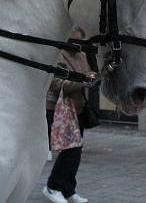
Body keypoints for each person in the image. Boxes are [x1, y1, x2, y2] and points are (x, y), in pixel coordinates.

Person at [43, 27, 97, 203]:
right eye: (76, 42)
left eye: (81, 42)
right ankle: (53, 186)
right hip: (61, 108)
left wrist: (91, 77)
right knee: (69, 150)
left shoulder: (81, 55)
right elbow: (56, 84)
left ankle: (68, 188)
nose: (79, 46)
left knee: (76, 150)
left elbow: (86, 74)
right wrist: (83, 81)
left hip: (79, 107)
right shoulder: (57, 54)